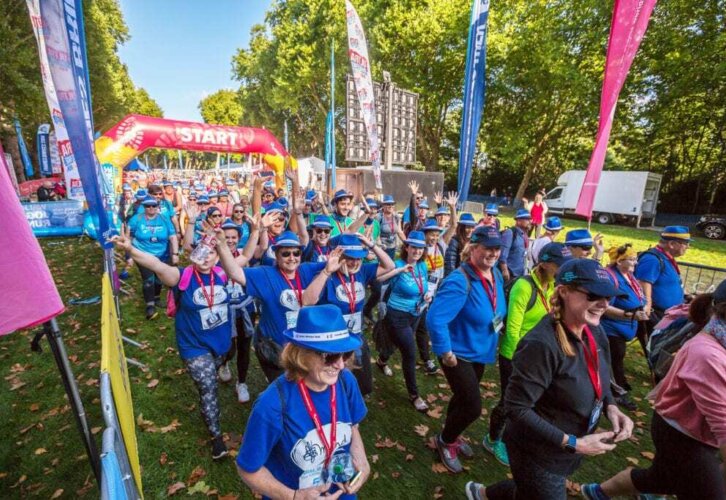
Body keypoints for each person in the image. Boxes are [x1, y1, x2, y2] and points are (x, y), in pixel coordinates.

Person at [466, 258, 634, 500]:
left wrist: (611, 407)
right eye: (594, 295)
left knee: (527, 492)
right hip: (538, 453)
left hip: (568, 448)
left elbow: (600, 376)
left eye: (609, 297)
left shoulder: (594, 329)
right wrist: (573, 443)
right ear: (564, 292)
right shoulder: (542, 344)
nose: (604, 304)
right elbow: (517, 408)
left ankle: (481, 494)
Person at [581, 279, 726, 500]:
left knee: (660, 479)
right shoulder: (707, 354)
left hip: (690, 431)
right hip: (682, 434)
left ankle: (597, 492)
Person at [110, 226, 232, 459]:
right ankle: (217, 438)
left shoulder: (224, 273)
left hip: (219, 343)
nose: (206, 257)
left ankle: (210, 406)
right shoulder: (182, 276)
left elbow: (247, 257)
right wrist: (131, 249)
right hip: (193, 346)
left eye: (211, 253)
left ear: (218, 256)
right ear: (193, 253)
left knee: (212, 378)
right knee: (208, 387)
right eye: (201, 251)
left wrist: (257, 230)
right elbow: (156, 264)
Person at [236, 305, 370, 499]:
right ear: (301, 354)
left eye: (346, 353)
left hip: (341, 488)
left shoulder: (345, 380)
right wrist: (294, 496)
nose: (340, 364)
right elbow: (247, 469)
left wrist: (360, 456)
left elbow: (353, 425)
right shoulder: (272, 405)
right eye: (330, 356)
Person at [426, 226, 507, 473]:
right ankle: (446, 441)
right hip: (458, 354)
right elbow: (435, 319)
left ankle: (450, 434)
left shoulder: (496, 275)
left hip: (480, 351)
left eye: (497, 248)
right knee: (472, 407)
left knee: (462, 399)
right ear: (473, 248)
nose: (493, 253)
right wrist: (445, 352)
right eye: (487, 248)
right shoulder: (460, 280)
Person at [485, 242, 572, 467]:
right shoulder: (524, 287)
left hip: (538, 355)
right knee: (510, 401)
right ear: (544, 264)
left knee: (530, 402)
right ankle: (494, 439)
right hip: (515, 355)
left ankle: (515, 436)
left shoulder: (553, 285)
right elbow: (513, 328)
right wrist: (518, 361)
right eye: (558, 265)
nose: (562, 270)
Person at [215, 228, 333, 382]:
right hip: (274, 346)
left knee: (300, 382)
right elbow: (234, 273)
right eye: (285, 253)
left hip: (301, 344)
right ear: (276, 255)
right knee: (283, 384)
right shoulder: (265, 274)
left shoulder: (306, 270)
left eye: (296, 253)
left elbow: (334, 262)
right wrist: (222, 246)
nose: (292, 258)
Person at [303, 233, 395, 396]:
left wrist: (371, 244)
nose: (355, 262)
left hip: (356, 337)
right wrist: (326, 271)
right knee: (334, 382)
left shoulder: (362, 272)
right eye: (350, 258)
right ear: (339, 256)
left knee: (365, 385)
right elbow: (308, 301)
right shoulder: (328, 274)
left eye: (359, 258)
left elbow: (389, 266)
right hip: (332, 341)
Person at [375, 231, 430, 412]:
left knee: (395, 344)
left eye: (420, 248)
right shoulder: (397, 264)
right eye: (413, 247)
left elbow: (422, 286)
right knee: (410, 352)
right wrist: (399, 270)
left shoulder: (422, 266)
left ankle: (382, 361)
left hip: (416, 313)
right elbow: (377, 279)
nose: (417, 251)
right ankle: (414, 395)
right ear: (406, 247)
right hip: (396, 315)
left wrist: (426, 295)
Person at [600, 244, 649, 411]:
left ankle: (618, 386)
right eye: (632, 259)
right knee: (614, 362)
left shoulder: (629, 275)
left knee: (617, 361)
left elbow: (638, 296)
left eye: (636, 259)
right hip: (611, 330)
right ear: (619, 261)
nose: (636, 263)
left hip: (627, 328)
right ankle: (617, 393)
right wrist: (629, 315)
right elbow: (604, 307)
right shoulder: (611, 278)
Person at [635, 225, 691, 353]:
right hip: (656, 315)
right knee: (656, 349)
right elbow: (643, 283)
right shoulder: (652, 259)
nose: (688, 247)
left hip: (668, 314)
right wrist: (647, 305)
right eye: (685, 243)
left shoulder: (666, 258)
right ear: (672, 244)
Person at [127, 195, 179, 319]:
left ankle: (156, 298)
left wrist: (175, 254)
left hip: (162, 254)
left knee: (159, 278)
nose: (151, 208)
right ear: (144, 207)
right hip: (143, 254)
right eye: (147, 206)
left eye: (153, 206)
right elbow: (128, 235)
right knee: (148, 279)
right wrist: (129, 254)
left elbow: (172, 237)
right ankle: (150, 306)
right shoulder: (137, 219)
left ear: (157, 207)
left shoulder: (165, 219)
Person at [498, 208, 531, 282]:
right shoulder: (510, 233)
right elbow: (503, 254)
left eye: (530, 219)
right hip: (510, 274)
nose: (530, 222)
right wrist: (504, 270)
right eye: (527, 219)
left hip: (519, 274)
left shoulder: (524, 235)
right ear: (518, 221)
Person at [377, 195, 406, 260]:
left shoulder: (396, 217)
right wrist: (379, 246)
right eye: (388, 204)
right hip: (382, 248)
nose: (390, 206)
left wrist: (407, 243)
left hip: (392, 247)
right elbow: (376, 234)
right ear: (383, 205)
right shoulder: (379, 217)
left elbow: (399, 231)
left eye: (392, 204)